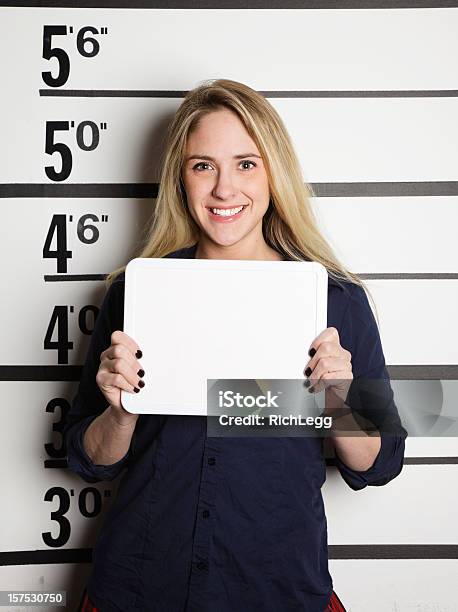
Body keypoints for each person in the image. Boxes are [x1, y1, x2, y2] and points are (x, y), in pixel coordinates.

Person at [64, 79, 408, 612]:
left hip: (275, 587)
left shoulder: (336, 300)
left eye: (246, 163)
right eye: (203, 165)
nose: (225, 189)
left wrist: (338, 401)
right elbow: (90, 459)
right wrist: (120, 412)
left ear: (275, 173)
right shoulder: (135, 293)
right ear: (181, 179)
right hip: (139, 587)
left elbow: (379, 462)